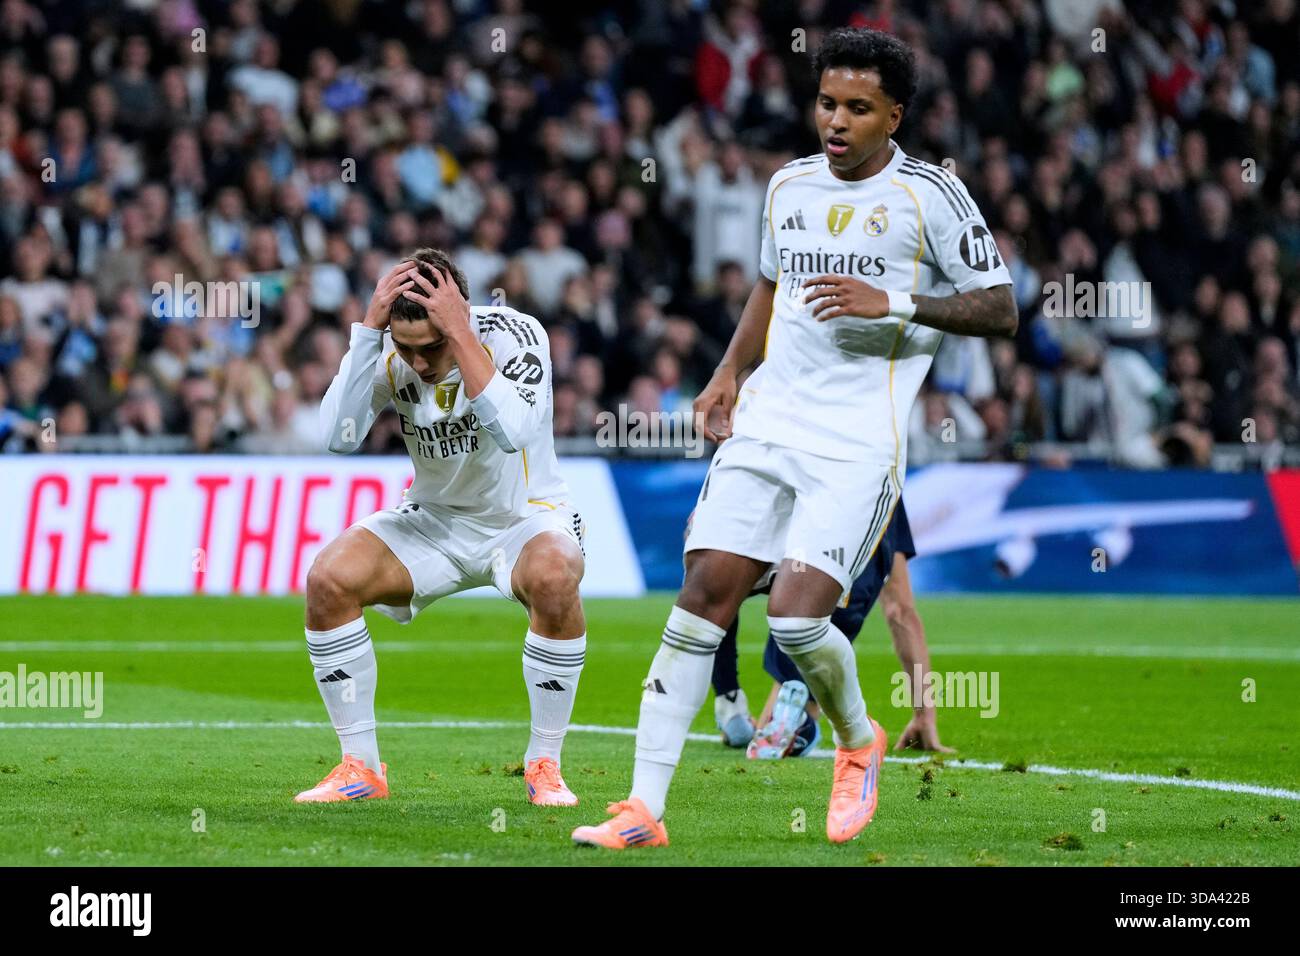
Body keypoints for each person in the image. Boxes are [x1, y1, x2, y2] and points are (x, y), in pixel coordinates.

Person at [572, 27, 1015, 849]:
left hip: (857, 441)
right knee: (702, 593)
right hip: (771, 418)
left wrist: (899, 305)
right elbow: (770, 288)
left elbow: (1000, 306)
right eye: (825, 103)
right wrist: (729, 372)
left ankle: (856, 741)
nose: (835, 122)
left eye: (857, 108)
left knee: (795, 621)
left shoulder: (933, 196)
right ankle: (643, 809)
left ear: (895, 116)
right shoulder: (788, 187)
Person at [296, 248, 589, 808]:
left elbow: (515, 431)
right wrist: (366, 332)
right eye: (407, 347)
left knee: (554, 577)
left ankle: (544, 764)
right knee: (329, 580)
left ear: (460, 313)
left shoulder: (517, 334)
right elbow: (338, 436)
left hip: (525, 519)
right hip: (434, 521)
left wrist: (461, 337)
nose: (420, 363)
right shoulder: (390, 349)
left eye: (431, 347)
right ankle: (359, 766)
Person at [711, 501, 953, 760]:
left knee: (715, 578)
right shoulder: (885, 486)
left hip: (802, 578)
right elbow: (900, 611)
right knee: (801, 618)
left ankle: (736, 705)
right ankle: (799, 720)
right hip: (831, 597)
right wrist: (924, 715)